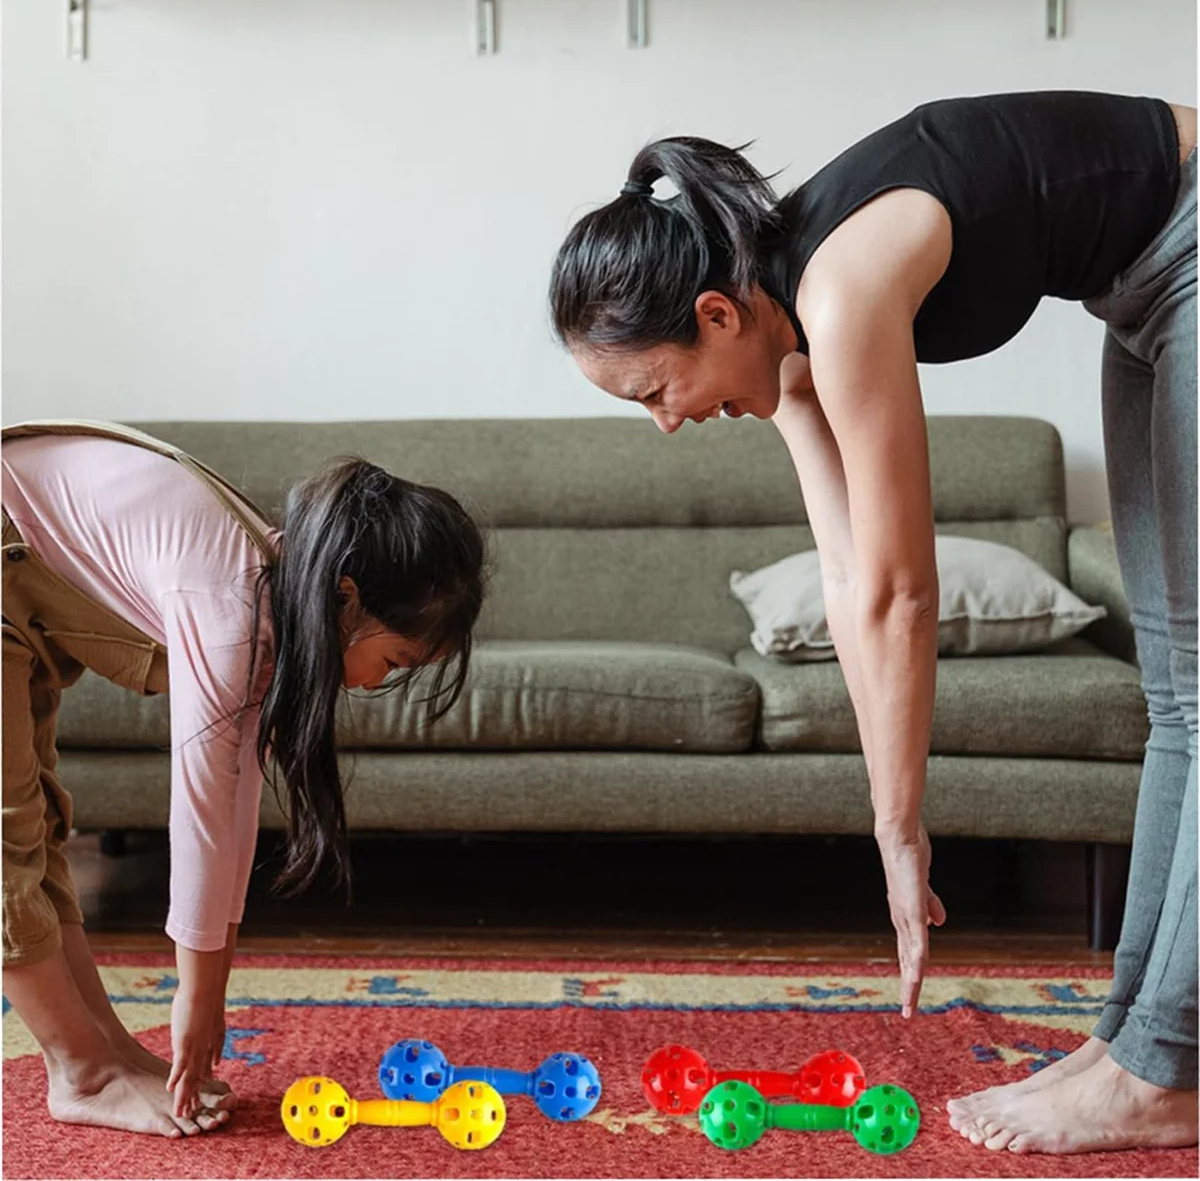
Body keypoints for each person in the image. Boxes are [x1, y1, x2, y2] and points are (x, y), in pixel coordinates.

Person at [549, 91, 1197, 1154]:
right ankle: (1137, 1040)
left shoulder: (839, 296)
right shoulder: (787, 341)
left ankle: (1161, 1073)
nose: (667, 424)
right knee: (1175, 695)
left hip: (1192, 234)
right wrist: (884, 817)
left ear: (717, 315)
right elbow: (849, 579)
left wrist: (904, 829)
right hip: (1138, 286)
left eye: (654, 391)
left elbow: (904, 590)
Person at [1, 421, 485, 1137]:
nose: (379, 684)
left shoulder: (278, 604)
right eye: (396, 661)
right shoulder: (234, 607)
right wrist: (194, 1001)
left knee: (37, 823)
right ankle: (85, 1071)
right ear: (347, 597)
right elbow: (199, 812)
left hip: (22, 591)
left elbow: (234, 805)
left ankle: (107, 1053)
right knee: (6, 841)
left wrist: (211, 990)